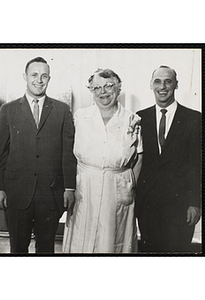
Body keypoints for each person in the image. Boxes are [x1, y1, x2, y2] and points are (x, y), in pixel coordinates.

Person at [0, 57, 76, 254]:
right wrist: (0, 188)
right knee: (18, 247)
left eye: (44, 76)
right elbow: (0, 152)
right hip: (17, 193)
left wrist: (69, 187)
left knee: (46, 248)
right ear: (25, 77)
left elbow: (68, 152)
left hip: (50, 194)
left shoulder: (62, 110)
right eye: (34, 75)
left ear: (49, 78)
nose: (39, 80)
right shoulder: (8, 110)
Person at [62, 69, 143, 253]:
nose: (103, 92)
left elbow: (139, 157)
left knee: (113, 241)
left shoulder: (132, 119)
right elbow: (68, 155)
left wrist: (130, 187)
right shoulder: (80, 117)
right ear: (91, 90)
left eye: (108, 86)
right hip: (85, 188)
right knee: (82, 240)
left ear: (118, 88)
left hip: (117, 189)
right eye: (97, 87)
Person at [136, 66, 201, 253]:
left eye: (168, 81)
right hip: (148, 205)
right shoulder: (140, 118)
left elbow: (198, 164)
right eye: (157, 81)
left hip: (180, 206)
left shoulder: (194, 119)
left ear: (176, 85)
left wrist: (195, 203)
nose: (162, 86)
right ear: (151, 85)